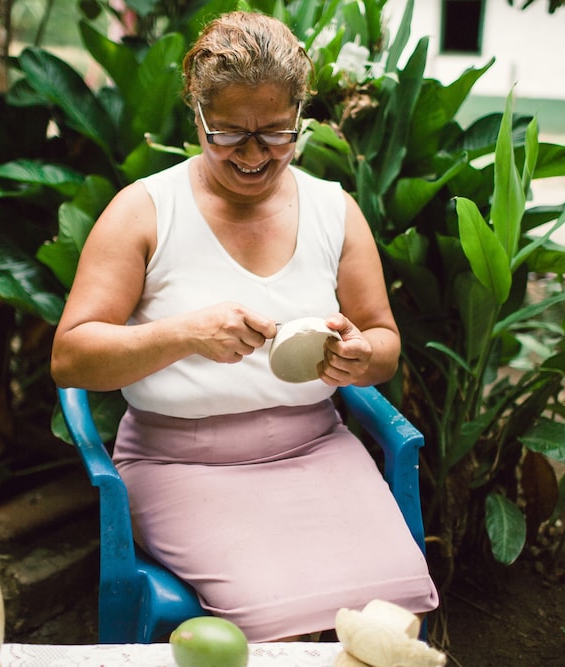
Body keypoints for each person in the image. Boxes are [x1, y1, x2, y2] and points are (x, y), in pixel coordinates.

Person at [51, 10, 438, 642]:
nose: (255, 155)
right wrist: (183, 334)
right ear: (197, 115)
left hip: (315, 450)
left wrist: (360, 356)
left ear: (300, 117)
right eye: (230, 133)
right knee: (274, 618)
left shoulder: (333, 210)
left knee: (394, 610)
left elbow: (384, 342)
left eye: (276, 133)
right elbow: (71, 357)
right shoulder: (145, 212)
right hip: (180, 464)